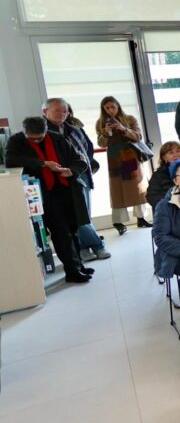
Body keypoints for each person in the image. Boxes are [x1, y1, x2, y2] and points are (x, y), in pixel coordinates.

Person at [5, 117, 93, 284]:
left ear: (46, 131)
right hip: (43, 194)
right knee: (61, 233)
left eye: (40, 137)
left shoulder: (57, 138)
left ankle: (78, 265)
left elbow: (79, 159)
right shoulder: (16, 141)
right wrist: (43, 164)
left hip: (66, 190)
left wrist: (71, 171)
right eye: (32, 138)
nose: (37, 141)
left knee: (73, 229)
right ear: (25, 132)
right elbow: (10, 161)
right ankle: (72, 271)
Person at [43, 98, 110, 261]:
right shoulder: (41, 131)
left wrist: (77, 168)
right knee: (74, 217)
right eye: (57, 110)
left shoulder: (73, 129)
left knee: (83, 214)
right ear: (45, 112)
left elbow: (87, 148)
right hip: (56, 181)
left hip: (80, 175)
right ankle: (95, 246)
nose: (62, 114)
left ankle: (85, 248)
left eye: (65, 111)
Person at [96, 96, 150, 234]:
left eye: (113, 107)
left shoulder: (129, 119)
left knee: (137, 188)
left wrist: (123, 128)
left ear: (118, 106)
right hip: (114, 159)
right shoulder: (100, 122)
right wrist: (106, 132)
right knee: (117, 190)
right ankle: (118, 222)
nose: (110, 110)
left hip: (130, 156)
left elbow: (138, 136)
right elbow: (101, 144)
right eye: (107, 108)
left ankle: (141, 217)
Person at [146, 141, 180, 209]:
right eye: (171, 152)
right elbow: (151, 196)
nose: (176, 155)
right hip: (169, 209)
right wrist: (170, 204)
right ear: (164, 158)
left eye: (178, 151)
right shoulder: (158, 175)